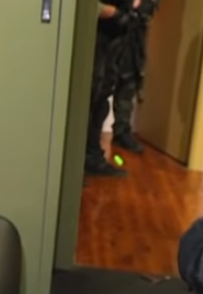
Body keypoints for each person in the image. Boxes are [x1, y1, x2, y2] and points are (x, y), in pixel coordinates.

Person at [86, 0, 156, 177]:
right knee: (91, 98)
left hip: (118, 36)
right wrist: (107, 11)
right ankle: (82, 161)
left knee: (102, 97)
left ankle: (92, 157)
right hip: (98, 32)